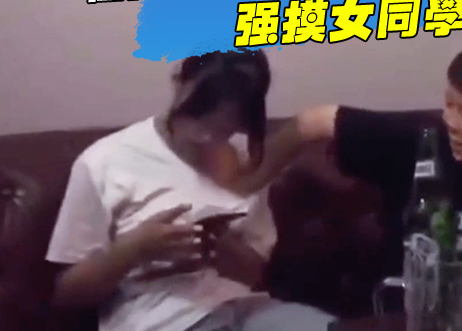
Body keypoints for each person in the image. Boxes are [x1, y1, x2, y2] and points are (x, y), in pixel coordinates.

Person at [245, 31, 462, 296]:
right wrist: (242, 181)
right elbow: (314, 121)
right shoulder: (426, 144)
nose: (450, 121)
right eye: (448, 104)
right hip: (387, 317)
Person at [45, 49, 336, 331]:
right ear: (178, 83)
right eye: (197, 117)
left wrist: (222, 249)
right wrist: (134, 250)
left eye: (223, 128)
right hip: (159, 319)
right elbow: (68, 294)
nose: (206, 137)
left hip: (248, 310)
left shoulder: (247, 161)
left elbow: (256, 275)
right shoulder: (104, 161)